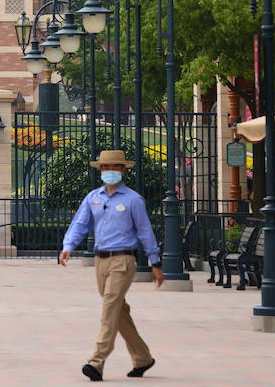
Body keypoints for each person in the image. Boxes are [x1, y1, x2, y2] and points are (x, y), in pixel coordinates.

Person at [60, 149, 162, 382]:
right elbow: (80, 224)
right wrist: (68, 246)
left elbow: (145, 232)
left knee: (108, 309)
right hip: (101, 260)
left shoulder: (133, 199)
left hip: (123, 259)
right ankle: (143, 357)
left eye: (115, 167)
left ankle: (96, 361)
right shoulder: (94, 197)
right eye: (105, 168)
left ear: (124, 170)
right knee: (118, 311)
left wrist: (155, 262)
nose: (110, 172)